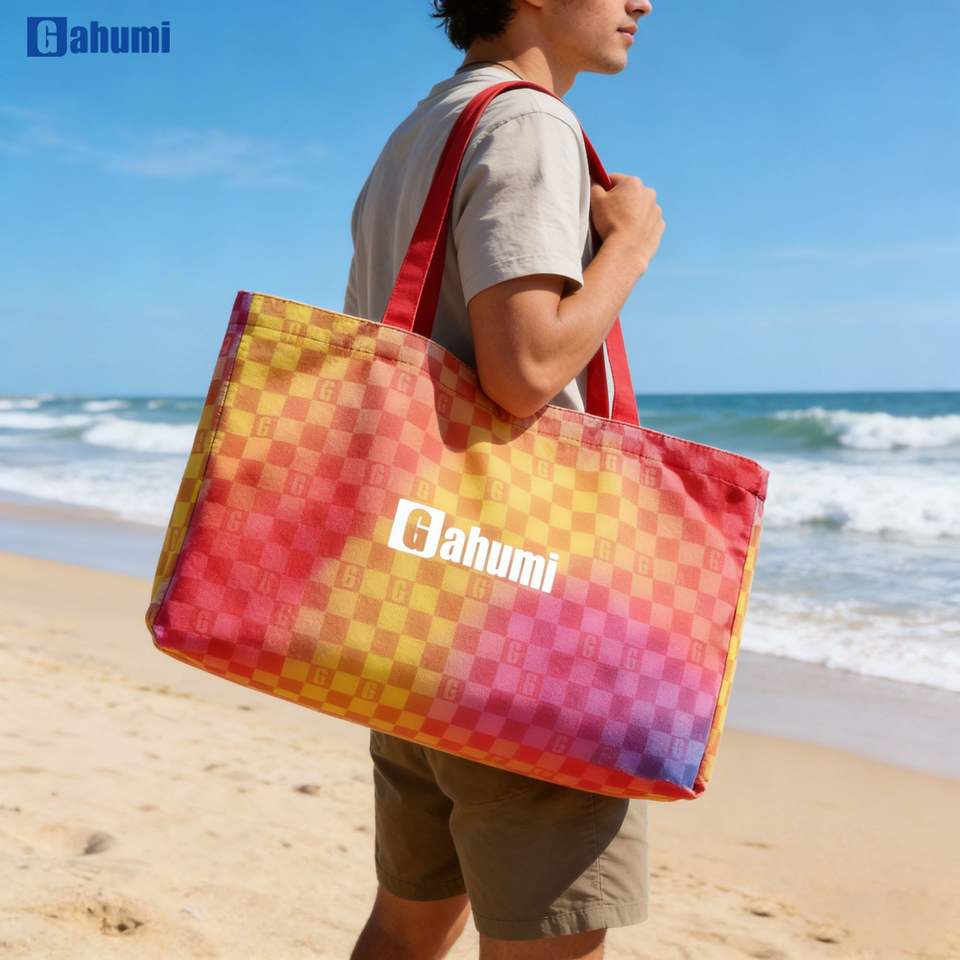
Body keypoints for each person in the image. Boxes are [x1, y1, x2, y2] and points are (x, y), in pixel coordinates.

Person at [343, 1, 664, 957]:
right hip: (520, 612)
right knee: (550, 939)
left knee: (406, 929)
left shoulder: (427, 124)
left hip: (418, 590)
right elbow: (524, 371)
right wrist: (630, 246)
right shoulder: (529, 122)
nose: (643, 2)